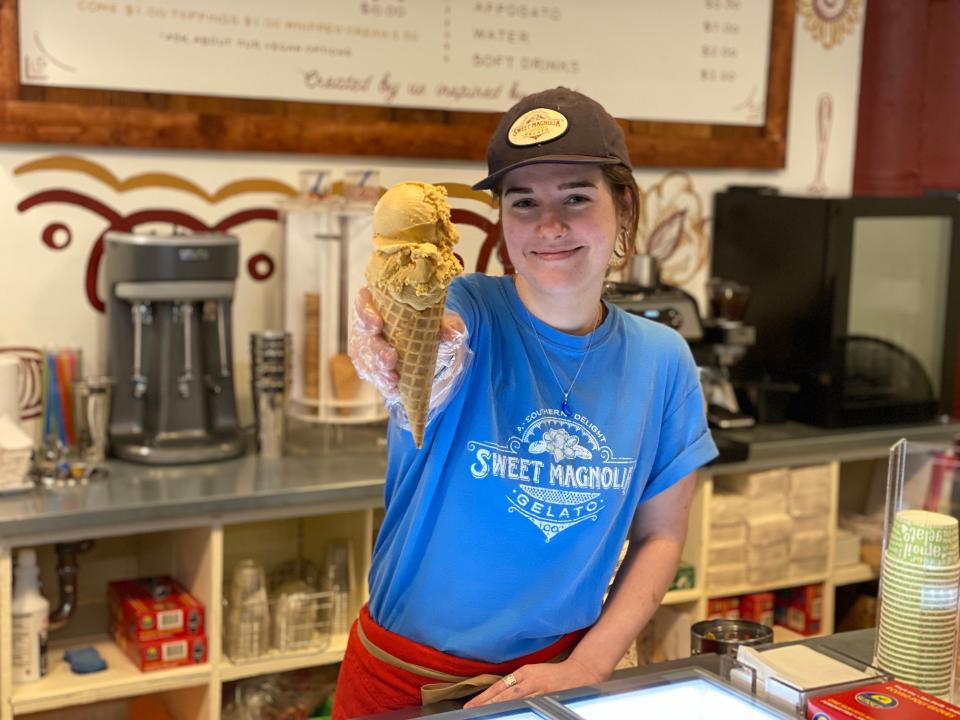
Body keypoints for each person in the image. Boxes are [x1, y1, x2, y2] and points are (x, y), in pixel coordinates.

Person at [335, 87, 718, 719]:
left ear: (623, 206)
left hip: (560, 677)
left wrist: (588, 666)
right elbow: (427, 342)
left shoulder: (662, 360)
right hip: (403, 680)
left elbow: (660, 537)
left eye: (575, 197)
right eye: (524, 202)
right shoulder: (467, 310)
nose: (549, 225)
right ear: (502, 221)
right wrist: (392, 338)